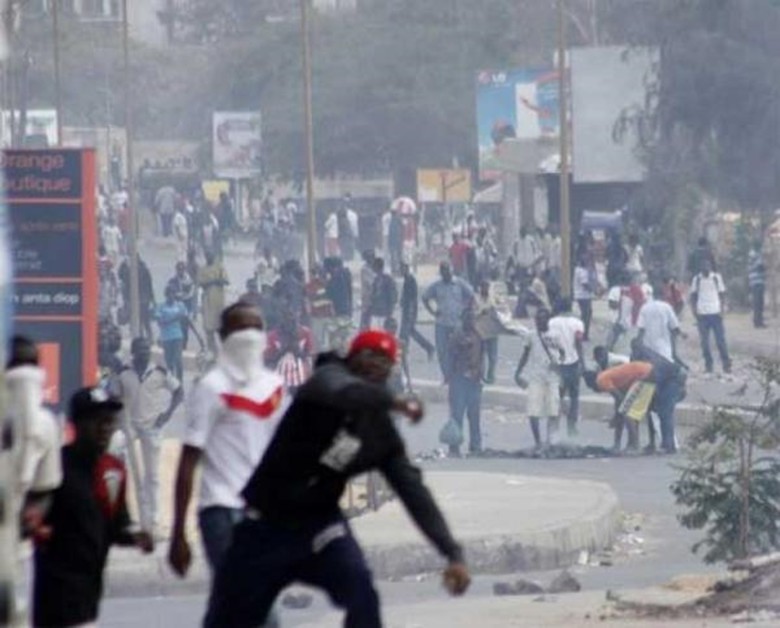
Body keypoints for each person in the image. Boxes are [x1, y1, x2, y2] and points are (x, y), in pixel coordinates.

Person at [203, 329, 471, 627]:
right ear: (352, 356)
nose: (376, 366)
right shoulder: (325, 381)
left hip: (321, 526)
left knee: (362, 593)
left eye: (385, 361)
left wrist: (452, 552)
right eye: (370, 356)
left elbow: (413, 492)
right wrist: (393, 402)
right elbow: (341, 390)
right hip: (266, 526)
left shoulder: (378, 432)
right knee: (228, 619)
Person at [168, 303, 289, 585]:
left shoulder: (274, 388)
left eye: (255, 328)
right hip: (221, 509)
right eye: (240, 328)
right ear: (223, 337)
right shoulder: (212, 387)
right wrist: (178, 533)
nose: (248, 336)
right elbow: (189, 460)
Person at [33, 387, 154, 627]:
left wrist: (135, 536)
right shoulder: (55, 468)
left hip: (90, 591)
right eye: (96, 421)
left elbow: (117, 523)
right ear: (75, 425)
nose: (104, 428)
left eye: (109, 422)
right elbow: (33, 519)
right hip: (56, 593)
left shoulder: (114, 470)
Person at [6, 336, 63, 623]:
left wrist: (29, 519)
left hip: (18, 541)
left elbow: (44, 489)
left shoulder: (45, 426)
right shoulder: (46, 425)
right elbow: (46, 487)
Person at [114, 337, 182, 532]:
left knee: (152, 475)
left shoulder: (159, 371)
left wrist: (167, 415)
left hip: (152, 426)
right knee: (120, 465)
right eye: (141, 349)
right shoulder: (124, 373)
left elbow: (179, 391)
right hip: (130, 427)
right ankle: (124, 514)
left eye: (147, 349)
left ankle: (154, 517)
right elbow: (115, 397)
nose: (145, 352)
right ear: (134, 352)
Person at [514, 309, 562, 449]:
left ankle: (550, 440)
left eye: (542, 319)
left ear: (548, 320)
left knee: (553, 410)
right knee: (533, 411)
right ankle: (538, 441)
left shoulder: (556, 335)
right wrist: (518, 372)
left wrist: (559, 365)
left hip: (552, 378)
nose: (539, 322)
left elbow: (563, 353)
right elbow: (525, 353)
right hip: (536, 377)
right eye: (537, 320)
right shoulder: (531, 335)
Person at [422, 262, 475, 382]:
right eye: (444, 272)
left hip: (457, 323)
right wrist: (432, 312)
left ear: (452, 271)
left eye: (448, 271)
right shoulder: (437, 286)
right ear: (441, 273)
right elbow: (425, 297)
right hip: (441, 323)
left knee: (458, 351)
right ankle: (447, 376)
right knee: (442, 352)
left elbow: (472, 296)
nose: (447, 274)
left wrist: (466, 312)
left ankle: (458, 376)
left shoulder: (459, 284)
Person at [446, 307, 485, 456]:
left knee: (474, 415)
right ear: (463, 320)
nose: (471, 321)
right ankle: (454, 447)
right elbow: (450, 356)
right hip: (459, 380)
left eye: (472, 318)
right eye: (468, 318)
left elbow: (482, 355)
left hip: (475, 380)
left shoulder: (479, 335)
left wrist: (481, 373)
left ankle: (475, 446)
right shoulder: (456, 336)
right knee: (457, 415)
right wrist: (449, 376)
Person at [548, 298, 584, 437]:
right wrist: (582, 363)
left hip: (557, 364)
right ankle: (572, 426)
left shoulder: (551, 323)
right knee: (574, 397)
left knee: (557, 397)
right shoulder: (577, 323)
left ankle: (555, 426)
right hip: (573, 363)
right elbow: (579, 343)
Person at [690, 258, 731, 374]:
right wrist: (694, 312)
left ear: (710, 267)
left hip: (716, 313)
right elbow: (693, 296)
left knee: (720, 341)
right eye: (703, 266)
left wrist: (723, 310)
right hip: (702, 314)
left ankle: (726, 364)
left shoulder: (716, 278)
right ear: (700, 267)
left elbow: (722, 294)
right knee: (704, 343)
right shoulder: (697, 279)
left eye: (707, 265)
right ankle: (709, 365)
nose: (706, 268)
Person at [266, 310, 315, 393]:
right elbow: (310, 352)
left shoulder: (274, 334)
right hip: (292, 373)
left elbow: (269, 355)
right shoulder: (305, 332)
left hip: (293, 373)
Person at [399, 261, 435, 360]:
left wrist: (410, 312)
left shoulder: (410, 280)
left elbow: (412, 298)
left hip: (409, 311)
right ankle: (428, 347)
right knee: (410, 332)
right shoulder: (407, 279)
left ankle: (404, 353)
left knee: (405, 333)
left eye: (402, 269)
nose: (401, 271)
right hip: (407, 310)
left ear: (406, 269)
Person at [637, 284, 681, 364]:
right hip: (664, 348)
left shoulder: (644, 307)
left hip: (649, 347)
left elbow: (641, 329)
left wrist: (638, 342)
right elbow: (675, 327)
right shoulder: (667, 307)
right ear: (663, 294)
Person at [155, 285, 189, 382]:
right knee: (169, 362)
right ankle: (172, 382)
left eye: (173, 294)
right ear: (166, 295)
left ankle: (180, 381)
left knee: (178, 360)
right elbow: (160, 322)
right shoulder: (160, 307)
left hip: (177, 336)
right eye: (169, 294)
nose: (171, 297)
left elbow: (185, 318)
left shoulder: (180, 305)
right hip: (166, 337)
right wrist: (174, 318)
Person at [199, 252, 230, 355]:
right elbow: (201, 283)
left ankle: (225, 352)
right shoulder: (202, 269)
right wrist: (213, 281)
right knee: (209, 329)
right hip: (207, 302)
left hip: (219, 303)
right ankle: (213, 352)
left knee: (221, 328)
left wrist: (217, 280)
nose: (209, 257)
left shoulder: (220, 267)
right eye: (207, 255)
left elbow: (226, 281)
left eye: (210, 255)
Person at [119, 254, 155, 340]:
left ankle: (141, 336)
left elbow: (121, 277)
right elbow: (150, 285)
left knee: (138, 320)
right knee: (145, 320)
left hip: (137, 300)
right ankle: (148, 337)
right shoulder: (144, 269)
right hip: (144, 299)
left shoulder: (130, 271)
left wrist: (124, 264)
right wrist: (153, 299)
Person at [475, 279, 500, 384]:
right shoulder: (476, 299)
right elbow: (472, 314)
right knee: (481, 356)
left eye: (487, 287)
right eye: (484, 287)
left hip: (492, 331)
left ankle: (491, 376)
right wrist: (481, 312)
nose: (485, 289)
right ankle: (481, 375)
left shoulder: (494, 299)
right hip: (481, 332)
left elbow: (501, 311)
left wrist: (494, 309)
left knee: (493, 357)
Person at [168, 261, 197, 347]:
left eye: (181, 269)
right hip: (175, 307)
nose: (180, 271)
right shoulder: (173, 280)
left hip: (186, 307)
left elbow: (190, 295)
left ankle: (184, 345)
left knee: (185, 328)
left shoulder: (189, 280)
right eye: (178, 269)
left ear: (184, 270)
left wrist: (192, 311)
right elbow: (169, 291)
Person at [368, 257, 398, 328]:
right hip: (376, 311)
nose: (372, 268)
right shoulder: (376, 280)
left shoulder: (388, 280)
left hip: (385, 312)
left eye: (374, 266)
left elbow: (392, 296)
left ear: (377, 267)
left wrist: (390, 310)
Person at [573, 252, 596, 341]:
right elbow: (585, 284)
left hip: (584, 296)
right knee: (586, 315)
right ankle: (583, 333)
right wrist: (594, 290)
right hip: (583, 296)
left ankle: (584, 333)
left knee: (586, 314)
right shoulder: (581, 271)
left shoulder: (580, 269)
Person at [748, 241, 767, 328]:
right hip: (757, 280)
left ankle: (759, 321)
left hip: (757, 280)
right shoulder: (754, 254)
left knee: (759, 302)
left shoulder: (755, 254)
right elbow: (760, 266)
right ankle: (758, 321)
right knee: (758, 302)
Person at [359, 250, 377, 329]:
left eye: (372, 257)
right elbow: (371, 282)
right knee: (365, 317)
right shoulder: (365, 269)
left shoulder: (374, 268)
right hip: (367, 298)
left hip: (373, 297)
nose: (371, 259)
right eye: (369, 258)